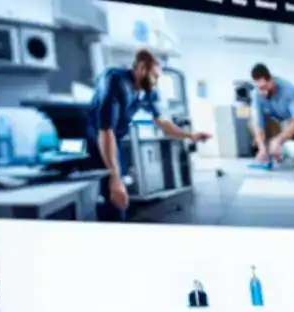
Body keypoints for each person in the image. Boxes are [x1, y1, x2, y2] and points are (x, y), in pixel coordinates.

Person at [86, 48, 209, 216]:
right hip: (95, 143)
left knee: (119, 199)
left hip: (115, 142)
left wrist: (190, 135)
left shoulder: (147, 92)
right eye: (154, 76)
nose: (156, 82)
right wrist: (114, 178)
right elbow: (106, 131)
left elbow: (162, 122)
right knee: (111, 196)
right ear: (142, 68)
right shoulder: (115, 81)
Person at [249, 63, 294, 177]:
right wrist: (261, 146)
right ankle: (267, 154)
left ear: (271, 81)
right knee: (251, 121)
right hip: (277, 123)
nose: (262, 92)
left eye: (264, 87)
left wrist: (278, 140)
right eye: (259, 88)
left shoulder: (288, 89)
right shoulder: (257, 93)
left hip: (293, 122)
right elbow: (258, 123)